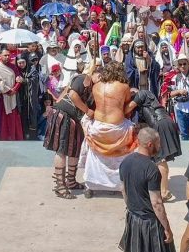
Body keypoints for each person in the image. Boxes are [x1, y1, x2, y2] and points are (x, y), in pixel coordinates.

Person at [118, 127, 178, 252]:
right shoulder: (152, 169)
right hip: (151, 224)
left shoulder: (126, 162)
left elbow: (123, 190)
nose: (160, 146)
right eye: (159, 143)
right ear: (150, 144)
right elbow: (157, 203)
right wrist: (167, 228)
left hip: (133, 220)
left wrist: (132, 209)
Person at [81, 61, 137, 197]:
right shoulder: (124, 86)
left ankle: (90, 185)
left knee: (95, 155)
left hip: (98, 126)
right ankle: (122, 183)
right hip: (117, 128)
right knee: (133, 139)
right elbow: (126, 106)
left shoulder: (96, 86)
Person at [42, 58, 92, 199]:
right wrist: (87, 110)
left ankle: (70, 181)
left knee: (74, 149)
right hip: (63, 115)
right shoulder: (82, 78)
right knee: (62, 150)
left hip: (75, 118)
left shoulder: (94, 84)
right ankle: (60, 185)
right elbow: (72, 94)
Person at [131, 89, 181, 202]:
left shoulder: (141, 94)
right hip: (165, 121)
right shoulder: (147, 96)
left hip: (160, 124)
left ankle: (163, 192)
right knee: (159, 158)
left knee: (160, 159)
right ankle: (162, 189)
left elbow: (127, 108)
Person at [0, 52, 23, 142]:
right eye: (5, 55)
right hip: (2, 97)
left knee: (13, 117)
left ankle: (14, 137)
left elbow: (19, 78)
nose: (7, 57)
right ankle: (4, 138)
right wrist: (9, 91)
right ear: (0, 56)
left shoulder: (13, 66)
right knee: (4, 119)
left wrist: (15, 88)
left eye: (8, 55)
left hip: (13, 96)